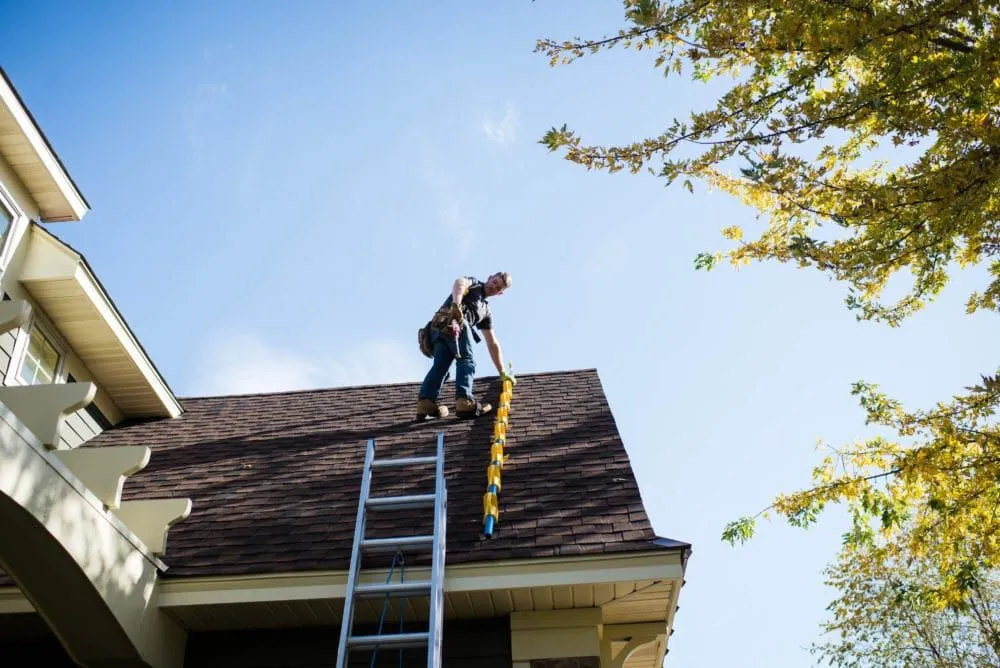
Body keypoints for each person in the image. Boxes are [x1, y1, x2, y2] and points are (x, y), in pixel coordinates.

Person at [417, 272, 512, 420]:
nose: (494, 287)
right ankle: (464, 400)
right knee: (467, 359)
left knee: (441, 365)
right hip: (447, 323)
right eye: (495, 282)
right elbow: (460, 283)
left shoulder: (485, 311)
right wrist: (456, 305)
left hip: (442, 331)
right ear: (489, 277)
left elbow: (492, 342)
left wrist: (502, 371)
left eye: (498, 287)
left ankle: (426, 402)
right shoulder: (474, 285)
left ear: (500, 293)